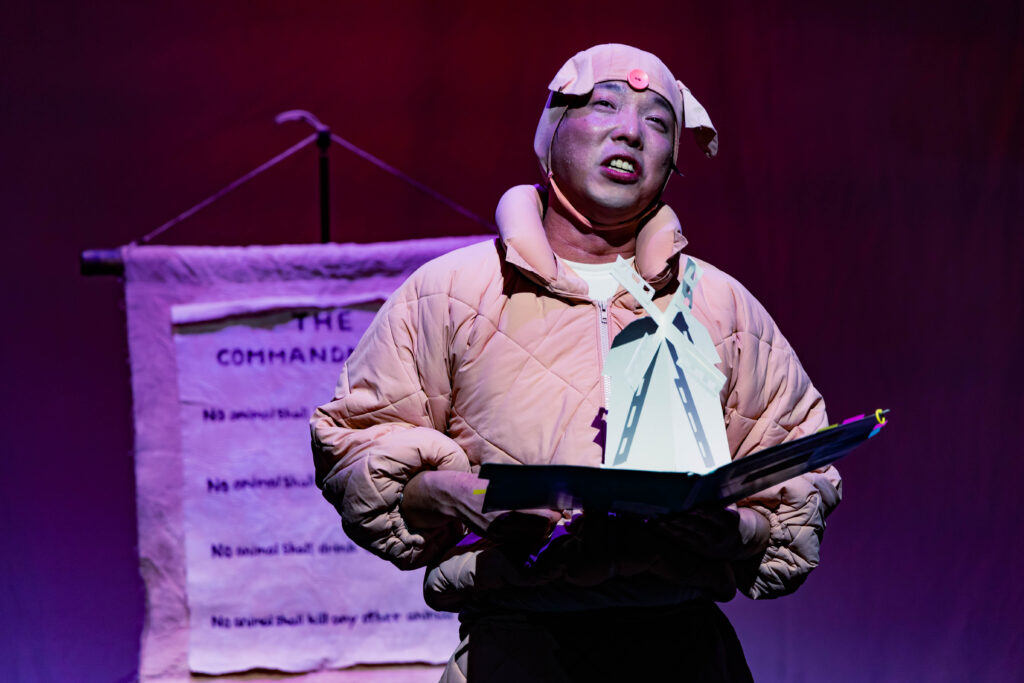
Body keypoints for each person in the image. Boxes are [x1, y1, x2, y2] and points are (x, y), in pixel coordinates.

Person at [311, 43, 841, 682]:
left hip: (686, 649)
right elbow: (356, 443)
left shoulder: (720, 304)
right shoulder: (453, 291)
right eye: (604, 105)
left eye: (657, 122)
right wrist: (448, 493)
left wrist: (742, 529)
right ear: (552, 131)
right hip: (514, 651)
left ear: (672, 161)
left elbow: (800, 467)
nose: (630, 132)